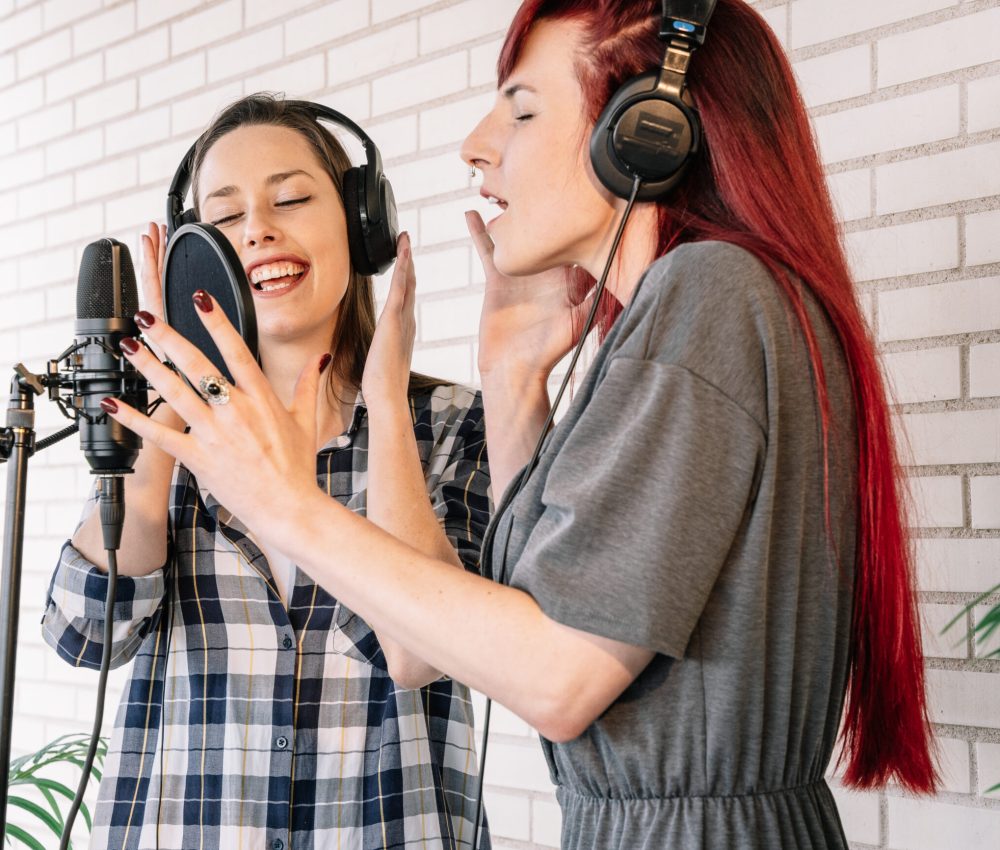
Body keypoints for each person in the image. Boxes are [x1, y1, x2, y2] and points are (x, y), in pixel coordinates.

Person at [99, 2, 939, 848]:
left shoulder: (710, 295)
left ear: (648, 132)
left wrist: (287, 502)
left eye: (523, 108)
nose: (477, 143)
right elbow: (550, 606)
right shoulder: (688, 309)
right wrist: (514, 381)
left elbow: (553, 677)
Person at [42, 94, 492, 850]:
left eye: (290, 198)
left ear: (360, 226)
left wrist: (384, 402)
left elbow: (428, 650)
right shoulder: (167, 438)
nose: (257, 229)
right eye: (223, 219)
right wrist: (165, 399)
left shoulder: (450, 423)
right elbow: (87, 634)